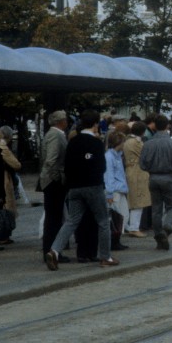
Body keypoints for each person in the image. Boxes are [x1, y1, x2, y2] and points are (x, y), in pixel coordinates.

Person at [45, 110, 118, 269]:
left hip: (74, 187)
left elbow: (67, 164)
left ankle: (54, 250)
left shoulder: (73, 141)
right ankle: (105, 256)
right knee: (103, 221)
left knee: (71, 221)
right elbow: (101, 166)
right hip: (93, 186)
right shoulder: (96, 143)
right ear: (95, 125)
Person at [139, 114, 172, 249]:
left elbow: (142, 164)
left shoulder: (148, 144)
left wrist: (149, 169)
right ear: (167, 126)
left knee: (156, 208)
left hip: (153, 177)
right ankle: (167, 227)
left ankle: (158, 235)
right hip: (169, 177)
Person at [39, 110, 70, 262]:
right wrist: (56, 177)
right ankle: (51, 250)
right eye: (65, 119)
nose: (67, 121)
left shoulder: (54, 134)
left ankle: (51, 249)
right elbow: (51, 159)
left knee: (54, 217)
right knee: (54, 218)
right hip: (53, 181)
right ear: (60, 121)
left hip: (52, 180)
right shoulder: (55, 135)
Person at [123, 121, 151, 237]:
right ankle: (134, 227)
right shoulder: (136, 142)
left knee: (132, 200)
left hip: (130, 170)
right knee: (138, 200)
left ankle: (130, 226)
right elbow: (146, 155)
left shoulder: (127, 141)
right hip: (138, 171)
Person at [103, 131, 130, 252]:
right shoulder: (109, 157)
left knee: (122, 216)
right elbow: (108, 175)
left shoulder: (117, 155)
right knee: (116, 216)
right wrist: (109, 192)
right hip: (114, 190)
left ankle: (116, 240)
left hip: (120, 188)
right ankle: (114, 241)